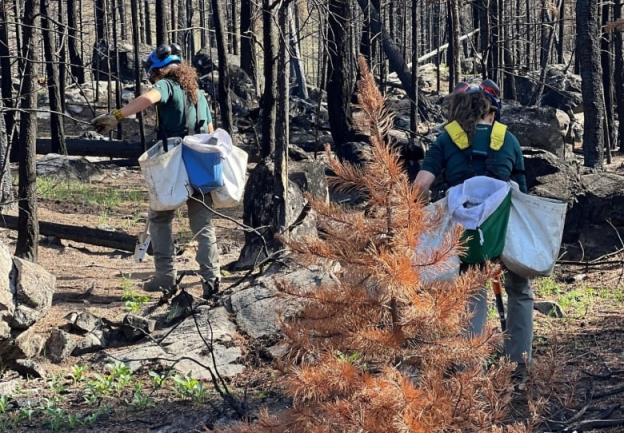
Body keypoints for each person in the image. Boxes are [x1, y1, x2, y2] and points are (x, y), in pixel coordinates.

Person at [414, 80, 534, 375]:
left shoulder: (445, 140)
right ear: (493, 109)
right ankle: (519, 365)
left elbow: (420, 186)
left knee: (473, 292)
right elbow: (521, 191)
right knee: (519, 290)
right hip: (503, 229)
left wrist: (427, 215)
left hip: (466, 233)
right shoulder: (508, 140)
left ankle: (471, 371)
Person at [92, 43, 221, 299]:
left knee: (161, 217)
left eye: (152, 72)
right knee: (203, 224)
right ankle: (212, 280)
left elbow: (148, 98)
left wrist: (116, 115)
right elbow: (210, 132)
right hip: (201, 163)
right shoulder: (200, 94)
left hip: (173, 163)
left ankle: (165, 277)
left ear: (158, 70)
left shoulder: (166, 85)